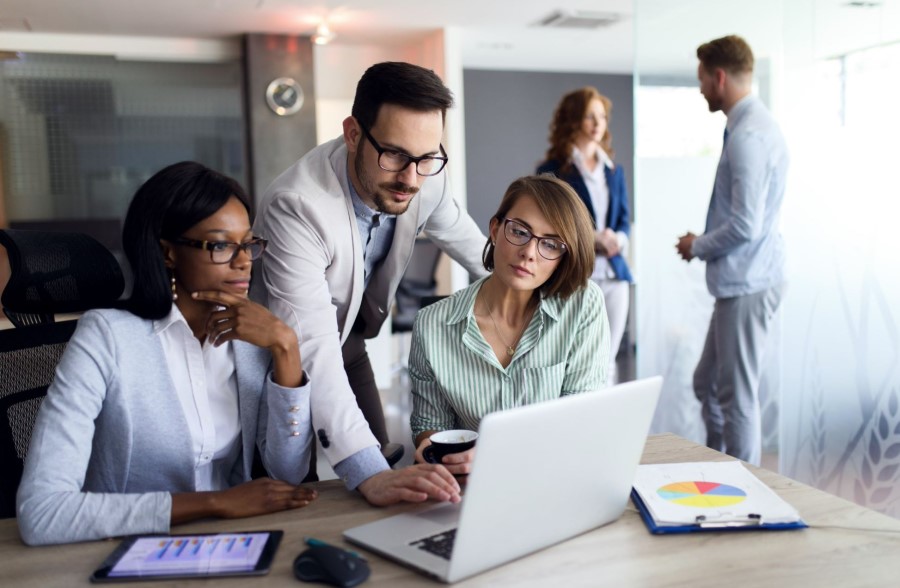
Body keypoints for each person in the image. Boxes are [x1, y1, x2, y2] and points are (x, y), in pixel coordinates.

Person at [17, 162, 318, 545]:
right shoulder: (106, 338)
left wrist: (285, 349)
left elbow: (288, 473)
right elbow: (42, 513)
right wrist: (216, 503)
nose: (243, 261)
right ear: (167, 252)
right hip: (126, 549)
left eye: (248, 244)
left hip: (234, 541)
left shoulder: (248, 339)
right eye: (222, 245)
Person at [252, 61, 481, 504]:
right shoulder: (297, 205)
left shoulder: (424, 176)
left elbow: (474, 248)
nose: (411, 179)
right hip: (279, 358)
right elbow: (312, 346)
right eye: (394, 154)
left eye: (427, 157)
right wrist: (369, 472)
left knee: (381, 471)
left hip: (351, 338)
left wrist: (544, 284)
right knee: (293, 488)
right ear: (353, 132)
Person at [409, 175, 610, 473]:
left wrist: (496, 455)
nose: (529, 252)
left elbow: (580, 422)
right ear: (495, 229)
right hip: (470, 489)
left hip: (557, 477)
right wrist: (434, 451)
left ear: (562, 257)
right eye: (519, 232)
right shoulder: (432, 325)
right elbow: (430, 428)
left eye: (551, 244)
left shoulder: (582, 305)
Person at [675, 35, 788, 466]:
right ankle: (721, 468)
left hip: (748, 282)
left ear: (719, 77)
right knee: (707, 384)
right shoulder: (748, 127)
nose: (701, 88)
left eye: (702, 79)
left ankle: (747, 487)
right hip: (742, 281)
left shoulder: (749, 136)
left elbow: (746, 224)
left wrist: (697, 245)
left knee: (737, 397)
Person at [537, 87, 632, 384]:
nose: (597, 123)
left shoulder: (614, 171)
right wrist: (592, 238)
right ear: (574, 119)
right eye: (590, 115)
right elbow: (549, 223)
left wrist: (618, 239)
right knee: (576, 360)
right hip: (577, 275)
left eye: (602, 116)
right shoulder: (553, 170)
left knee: (608, 361)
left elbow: (625, 221)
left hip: (615, 275)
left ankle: (606, 426)